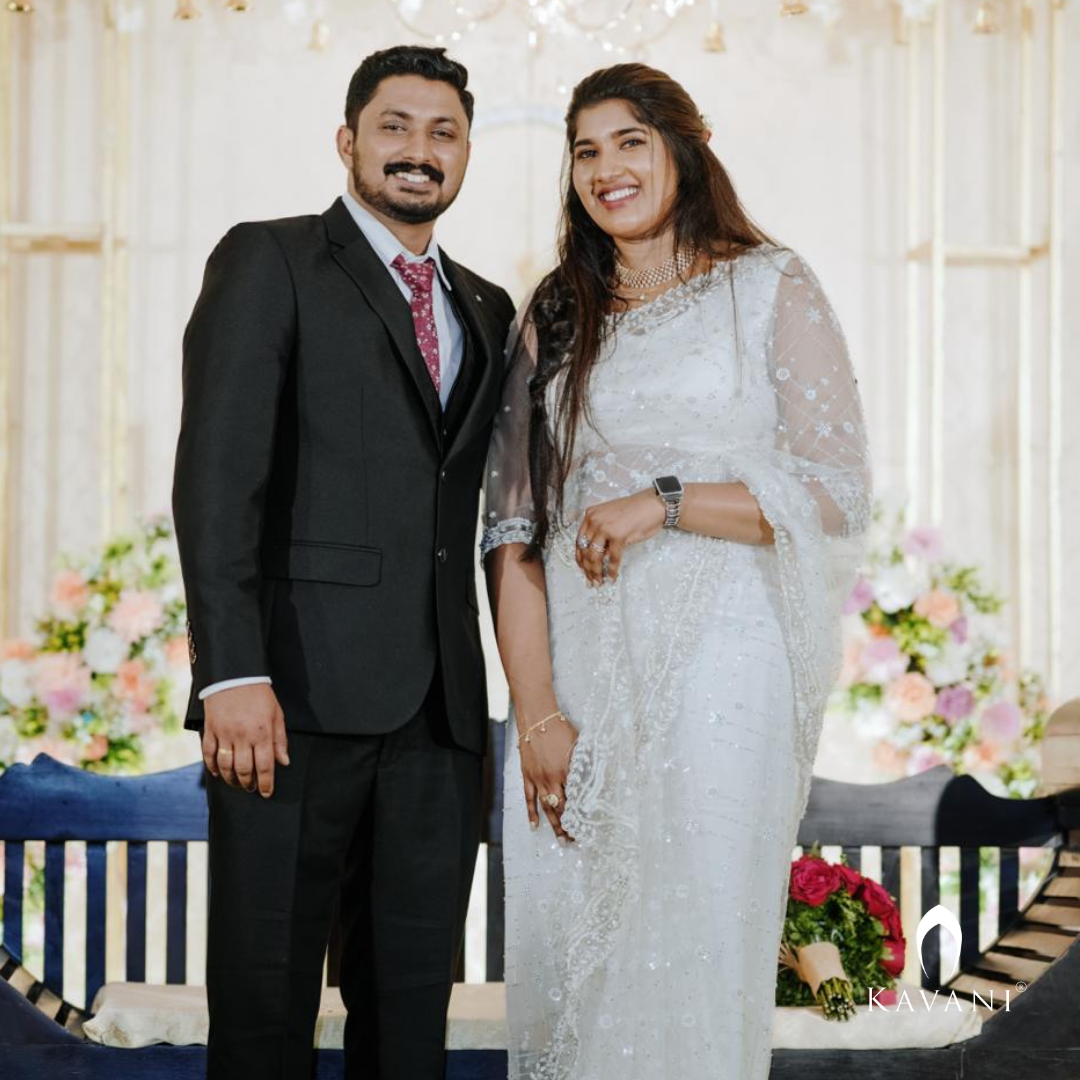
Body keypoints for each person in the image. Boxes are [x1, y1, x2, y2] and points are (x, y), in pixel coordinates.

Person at [482, 63, 872, 1079]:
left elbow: (834, 493)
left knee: (694, 927)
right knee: (579, 949)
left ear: (683, 148)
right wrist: (538, 715)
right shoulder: (559, 313)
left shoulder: (768, 284)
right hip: (585, 674)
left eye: (629, 141)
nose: (605, 168)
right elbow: (513, 531)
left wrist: (663, 506)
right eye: (584, 149)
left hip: (724, 668)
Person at [172, 45, 515, 1080]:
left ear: (465, 154)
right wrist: (230, 671)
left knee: (410, 1023)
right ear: (348, 140)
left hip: (441, 720)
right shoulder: (268, 259)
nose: (420, 150)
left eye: (443, 132)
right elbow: (215, 480)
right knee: (265, 1007)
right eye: (396, 127)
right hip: (287, 708)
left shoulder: (489, 309)